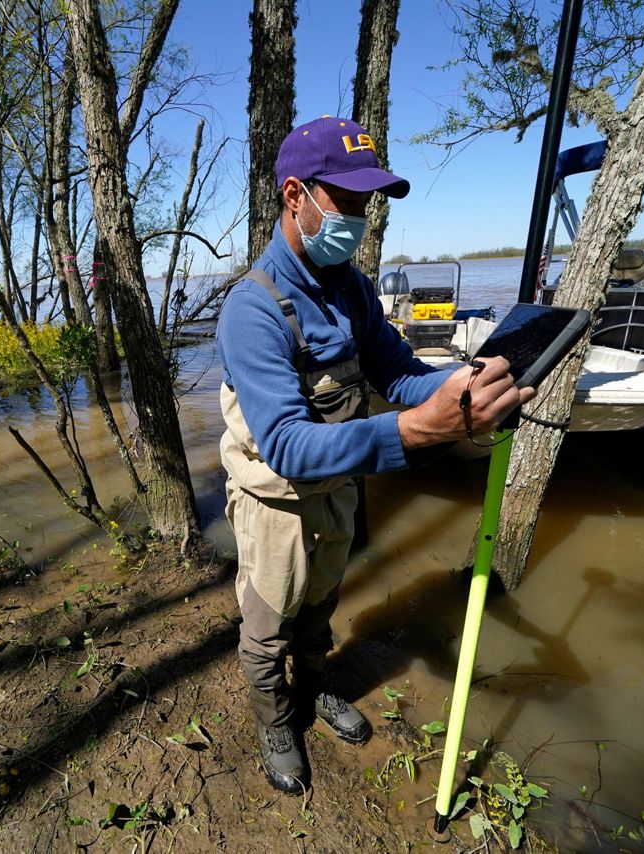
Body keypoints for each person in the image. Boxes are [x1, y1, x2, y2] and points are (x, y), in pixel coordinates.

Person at [216, 116, 532, 794]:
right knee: (268, 625)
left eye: (367, 204)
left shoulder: (352, 288)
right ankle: (277, 722)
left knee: (321, 607)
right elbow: (289, 445)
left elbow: (398, 372)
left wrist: (459, 388)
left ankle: (318, 685)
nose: (360, 218)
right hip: (277, 505)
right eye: (348, 202)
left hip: (338, 492)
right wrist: (418, 432)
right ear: (295, 195)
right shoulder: (253, 308)